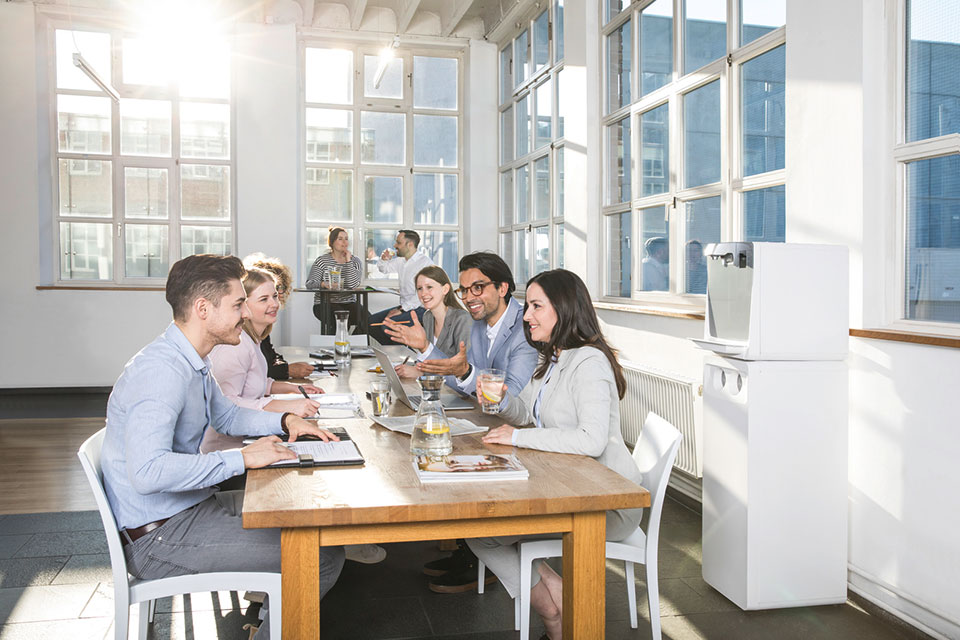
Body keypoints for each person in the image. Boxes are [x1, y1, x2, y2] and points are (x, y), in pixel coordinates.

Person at [99, 254, 344, 640]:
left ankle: (270, 624)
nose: (245, 313)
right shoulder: (161, 372)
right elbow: (148, 473)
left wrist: (287, 420)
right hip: (160, 536)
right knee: (321, 557)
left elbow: (228, 417)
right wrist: (242, 458)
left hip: (185, 507)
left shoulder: (190, 361)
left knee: (299, 517)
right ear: (202, 309)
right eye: (236, 304)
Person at [467, 269, 644, 640]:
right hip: (573, 488)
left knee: (483, 532)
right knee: (481, 529)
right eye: (527, 305)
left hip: (606, 503)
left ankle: (553, 611)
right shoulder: (554, 358)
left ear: (563, 309)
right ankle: (557, 601)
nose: (526, 315)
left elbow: (591, 440)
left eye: (535, 306)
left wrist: (517, 438)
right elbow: (529, 414)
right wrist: (501, 402)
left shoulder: (589, 362)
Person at [415, 252, 538, 594]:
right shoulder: (480, 326)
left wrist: (465, 372)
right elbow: (460, 374)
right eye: (465, 289)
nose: (469, 297)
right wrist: (427, 350)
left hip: (523, 437)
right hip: (492, 426)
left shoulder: (523, 330)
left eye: (478, 288)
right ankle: (468, 550)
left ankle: (479, 556)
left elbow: (504, 395)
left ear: (503, 288)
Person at [204, 267, 323, 453]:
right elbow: (226, 403)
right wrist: (285, 407)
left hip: (250, 441)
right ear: (243, 305)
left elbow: (256, 383)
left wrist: (294, 389)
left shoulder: (253, 340)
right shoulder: (236, 345)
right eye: (264, 299)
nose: (274, 304)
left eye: (275, 296)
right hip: (228, 453)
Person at [383, 265, 472, 379]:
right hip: (433, 388)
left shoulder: (462, 319)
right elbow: (427, 359)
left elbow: (463, 371)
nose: (423, 294)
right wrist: (416, 368)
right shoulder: (428, 317)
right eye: (419, 288)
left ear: (445, 289)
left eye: (429, 287)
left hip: (454, 393)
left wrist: (422, 374)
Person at [245, 253, 314, 381]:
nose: (275, 301)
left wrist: (283, 366)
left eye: (276, 293)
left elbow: (272, 358)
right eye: (264, 298)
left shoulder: (263, 328)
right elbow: (257, 373)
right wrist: (287, 370)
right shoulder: (240, 338)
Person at [367, 230, 433, 344]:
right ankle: (393, 352)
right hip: (406, 307)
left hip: (421, 309)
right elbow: (384, 269)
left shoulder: (424, 263)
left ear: (410, 244)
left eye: (398, 243)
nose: (395, 245)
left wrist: (401, 309)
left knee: (389, 327)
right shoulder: (401, 261)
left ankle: (409, 354)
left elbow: (423, 295)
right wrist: (384, 259)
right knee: (370, 323)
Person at [306, 226, 364, 332]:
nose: (344, 242)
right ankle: (337, 347)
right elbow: (310, 283)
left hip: (348, 302)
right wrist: (324, 284)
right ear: (332, 242)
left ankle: (354, 345)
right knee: (341, 319)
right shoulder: (322, 261)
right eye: (340, 239)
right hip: (324, 304)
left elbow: (352, 285)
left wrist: (348, 261)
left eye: (346, 239)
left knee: (367, 320)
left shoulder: (355, 261)